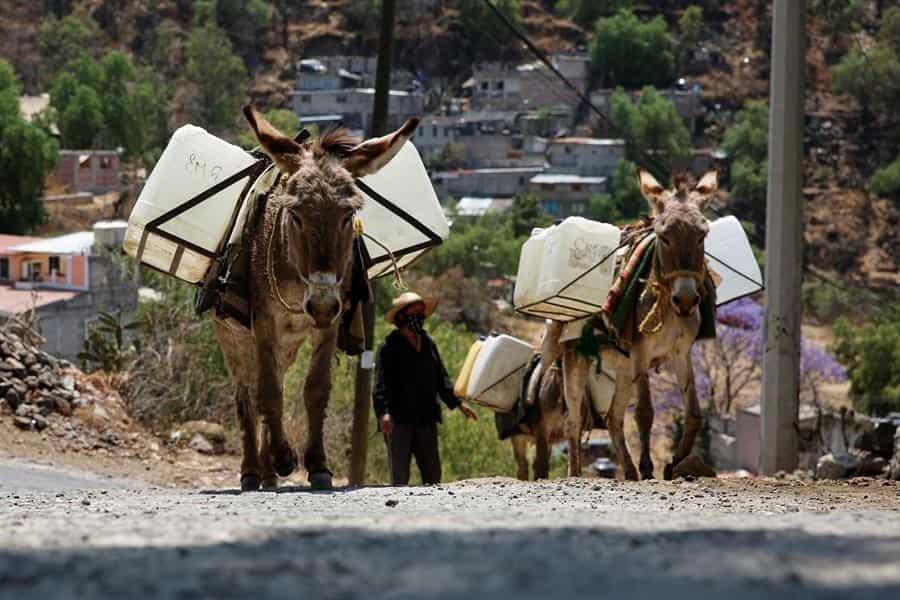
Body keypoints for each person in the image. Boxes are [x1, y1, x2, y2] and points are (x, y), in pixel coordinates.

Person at [373, 292, 477, 485]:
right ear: (401, 316)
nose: (419, 317)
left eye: (421, 313)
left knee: (433, 475)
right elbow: (380, 384)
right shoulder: (389, 347)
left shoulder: (428, 343)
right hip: (399, 421)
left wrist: (458, 404)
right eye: (414, 313)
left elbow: (441, 379)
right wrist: (383, 413)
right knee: (399, 476)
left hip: (426, 418)